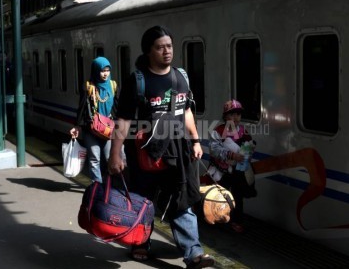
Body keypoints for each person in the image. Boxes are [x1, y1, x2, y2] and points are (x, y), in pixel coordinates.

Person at [108, 25, 215, 269]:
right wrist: (115, 154)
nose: (166, 51)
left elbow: (186, 110)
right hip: (146, 152)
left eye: (169, 46)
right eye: (160, 47)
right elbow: (123, 120)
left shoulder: (180, 77)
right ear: (148, 51)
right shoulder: (138, 81)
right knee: (143, 200)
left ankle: (194, 253)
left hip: (178, 152)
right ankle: (140, 242)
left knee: (182, 199)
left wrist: (196, 140)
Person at [208, 99, 257, 233]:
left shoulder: (243, 131)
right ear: (225, 116)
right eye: (232, 114)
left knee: (237, 196)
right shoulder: (218, 131)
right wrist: (232, 155)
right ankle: (216, 218)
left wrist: (248, 152)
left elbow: (250, 145)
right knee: (220, 195)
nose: (236, 117)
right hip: (221, 171)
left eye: (238, 114)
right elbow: (214, 149)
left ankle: (237, 221)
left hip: (237, 171)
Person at [70, 56, 119, 183]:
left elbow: (117, 108)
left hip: (108, 129)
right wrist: (77, 126)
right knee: (94, 159)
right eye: (102, 71)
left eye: (107, 70)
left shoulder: (113, 86)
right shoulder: (88, 87)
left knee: (109, 158)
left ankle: (109, 186)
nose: (105, 74)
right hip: (91, 129)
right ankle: (97, 187)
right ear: (96, 71)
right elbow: (81, 107)